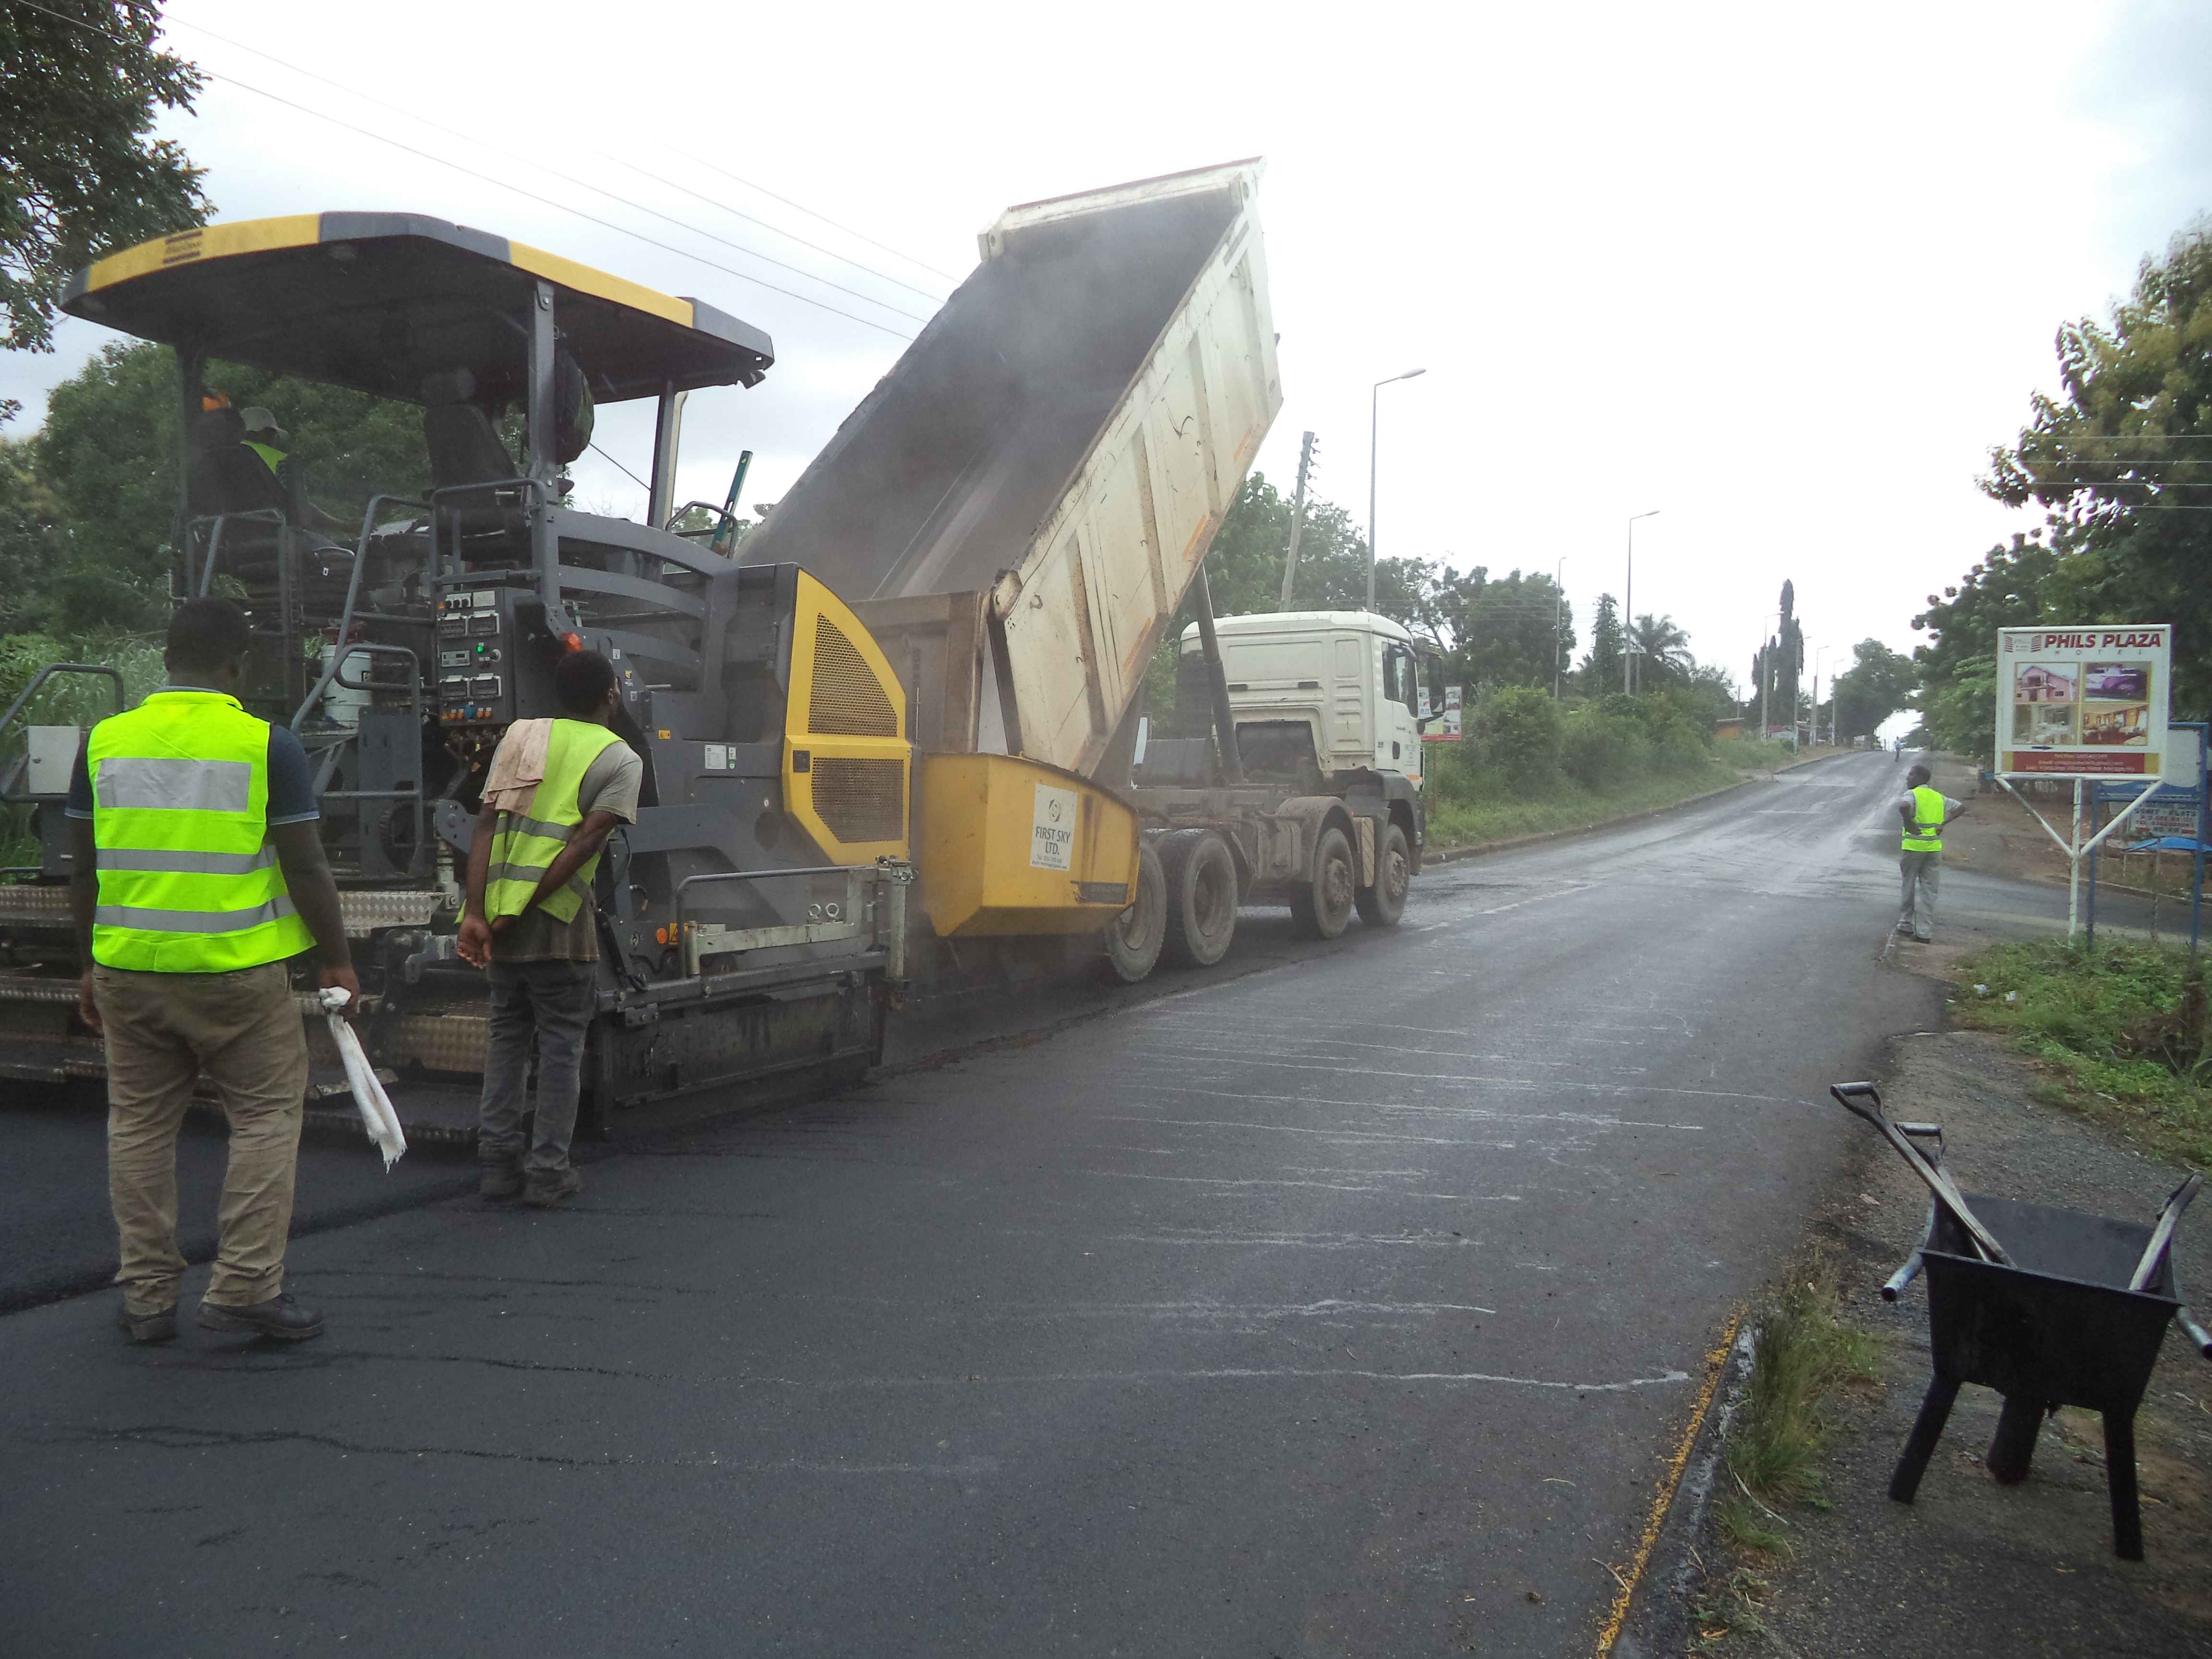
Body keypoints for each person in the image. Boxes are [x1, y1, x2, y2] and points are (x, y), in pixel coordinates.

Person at [67, 597, 358, 1345]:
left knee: (139, 1126)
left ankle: (147, 1299)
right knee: (265, 1117)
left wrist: (88, 964)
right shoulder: (268, 746)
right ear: (237, 663)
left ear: (166, 660)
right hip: (237, 974)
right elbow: (307, 867)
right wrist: (337, 958)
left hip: (130, 969)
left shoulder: (102, 743)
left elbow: (83, 870)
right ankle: (246, 1287)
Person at [456, 650, 641, 1207]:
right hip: (558, 925)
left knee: (507, 1039)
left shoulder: (521, 735)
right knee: (561, 1047)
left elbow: (485, 825)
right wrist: (520, 907)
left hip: (497, 921)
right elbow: (585, 843)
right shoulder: (620, 758)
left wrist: (477, 913)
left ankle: (497, 1167)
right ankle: (547, 1172)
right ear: (611, 695)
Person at [1896, 762, 1966, 943]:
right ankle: (1924, 932)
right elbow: (1960, 807)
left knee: (1909, 884)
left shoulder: (1912, 794)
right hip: (1933, 848)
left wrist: (1908, 822)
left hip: (1913, 847)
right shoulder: (1938, 797)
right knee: (1930, 890)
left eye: (1911, 775)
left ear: (1920, 778)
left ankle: (1906, 923)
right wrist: (1943, 823)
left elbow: (1903, 806)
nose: (1907, 778)